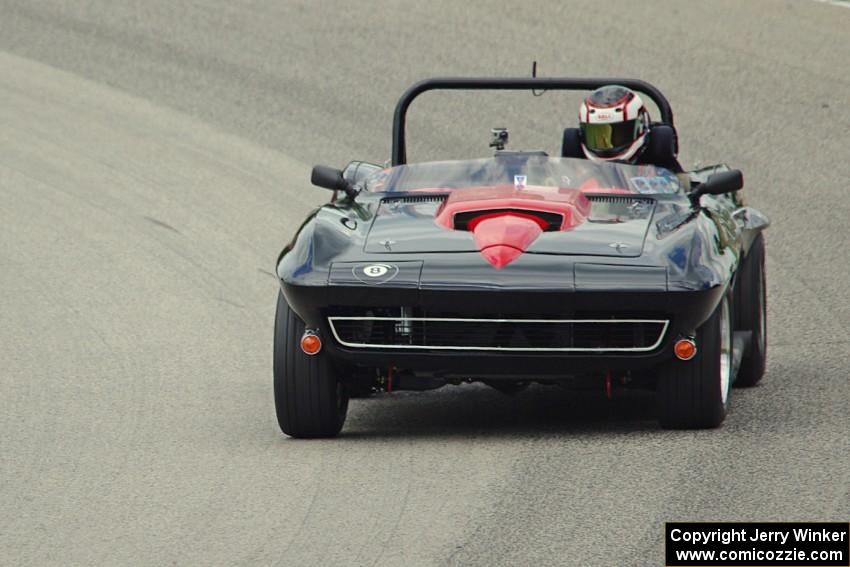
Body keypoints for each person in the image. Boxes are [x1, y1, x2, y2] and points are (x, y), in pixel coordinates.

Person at [578, 85, 683, 173]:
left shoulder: (660, 166)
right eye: (597, 135)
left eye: (617, 135)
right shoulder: (576, 169)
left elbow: (683, 188)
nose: (606, 144)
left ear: (641, 126)